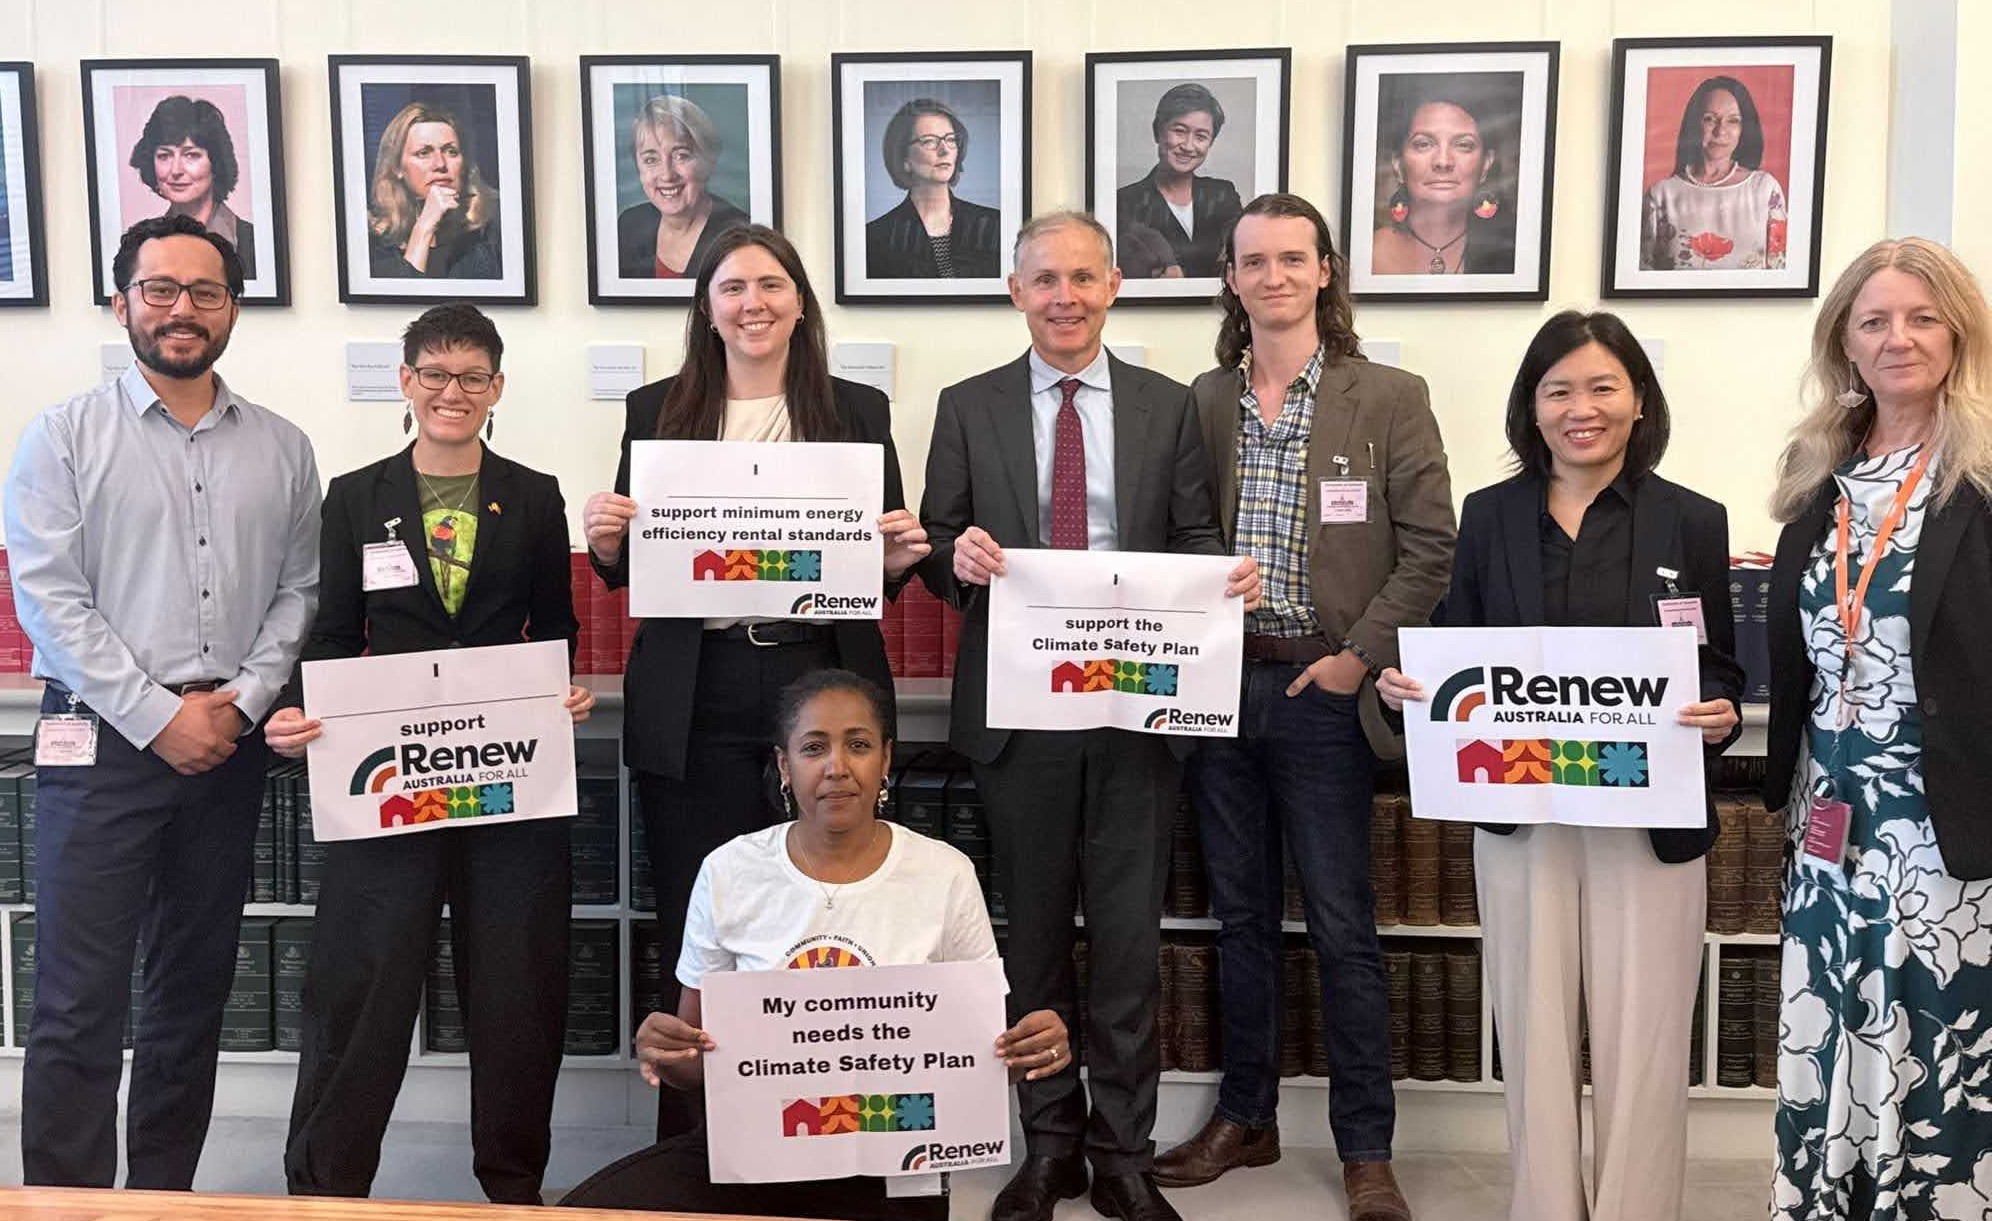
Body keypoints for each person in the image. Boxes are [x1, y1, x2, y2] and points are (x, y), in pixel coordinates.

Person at [918, 210, 1260, 1221]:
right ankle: (1049, 1142)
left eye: (1082, 277)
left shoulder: (1167, 407)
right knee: (1029, 946)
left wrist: (1220, 578)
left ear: (1114, 286)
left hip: (1135, 716)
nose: (1064, 297)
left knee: (1124, 944)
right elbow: (937, 543)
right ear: (1014, 292)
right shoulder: (967, 404)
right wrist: (958, 558)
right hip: (1018, 716)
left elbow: (1195, 533)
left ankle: (1123, 1153)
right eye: (1043, 280)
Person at [1376, 311, 1743, 1221]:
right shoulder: (1488, 516)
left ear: (1638, 401)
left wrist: (1722, 711)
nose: (1583, 408)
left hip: (1648, 816)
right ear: (1531, 409)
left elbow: (1719, 666)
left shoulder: (1692, 519)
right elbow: (1458, 646)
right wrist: (1407, 686)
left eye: (1603, 387)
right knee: (1535, 1035)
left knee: (1645, 1041)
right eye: (1559, 390)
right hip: (1524, 809)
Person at [581, 223, 930, 1140]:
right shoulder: (656, 407)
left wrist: (897, 558)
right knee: (703, 921)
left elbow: (877, 573)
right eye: (732, 287)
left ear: (801, 302)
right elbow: (629, 569)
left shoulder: (856, 410)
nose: (753, 304)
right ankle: (695, 1143)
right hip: (697, 689)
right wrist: (608, 542)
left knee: (824, 912)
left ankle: (819, 1130)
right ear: (707, 307)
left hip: (818, 679)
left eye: (771, 285)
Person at [3, 213, 321, 1188]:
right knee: (76, 1003)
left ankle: (162, 1202)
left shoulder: (284, 447)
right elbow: (49, 601)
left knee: (190, 998)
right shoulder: (61, 438)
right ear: (122, 302)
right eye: (161, 290)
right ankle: (65, 1206)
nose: (183, 311)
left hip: (226, 753)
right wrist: (158, 716)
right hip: (97, 748)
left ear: (233, 307)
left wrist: (240, 704)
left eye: (206, 292)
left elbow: (299, 593)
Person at [1158, 193, 1455, 1221]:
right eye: (1253, 261)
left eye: (1293, 257)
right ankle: (1246, 1118)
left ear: (1326, 270)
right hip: (1220, 688)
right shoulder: (1201, 398)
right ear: (1231, 280)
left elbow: (1430, 550)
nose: (1273, 276)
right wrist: (1203, 577)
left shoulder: (1389, 396)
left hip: (1325, 693)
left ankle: (1366, 1148)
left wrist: (1356, 658)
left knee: (1342, 925)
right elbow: (1181, 530)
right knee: (1240, 919)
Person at [261, 303, 592, 1203]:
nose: (454, 392)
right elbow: (332, 636)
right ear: (406, 381)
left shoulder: (532, 493)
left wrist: (565, 687)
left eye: (473, 377)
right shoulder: (356, 496)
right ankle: (327, 1184)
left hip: (509, 780)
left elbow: (553, 629)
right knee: (360, 983)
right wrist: (300, 712)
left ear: (497, 388)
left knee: (518, 987)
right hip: (384, 779)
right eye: (436, 374)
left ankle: (514, 1182)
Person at [563, 669, 1069, 1219]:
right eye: (813, 748)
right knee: (584, 1210)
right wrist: (665, 1051)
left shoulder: (944, 872)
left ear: (886, 759)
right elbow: (697, 1066)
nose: (837, 767)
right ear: (784, 765)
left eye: (858, 745)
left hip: (893, 1159)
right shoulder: (729, 870)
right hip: (756, 1148)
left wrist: (1027, 1054)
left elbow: (976, 1059)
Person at [1762, 238, 1992, 1217]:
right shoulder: (1816, 479)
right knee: (1834, 1039)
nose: (1898, 339)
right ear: (1844, 344)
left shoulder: (1982, 475)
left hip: (1950, 827)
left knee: (1942, 1050)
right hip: (1830, 827)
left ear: (1959, 333)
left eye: (1922, 317)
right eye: (1874, 320)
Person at [1640, 76, 1788, 272]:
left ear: (1744, 129)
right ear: (1694, 124)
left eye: (1733, 121)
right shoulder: (1661, 195)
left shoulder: (1765, 189)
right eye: (1710, 119)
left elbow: (1780, 274)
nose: (1720, 131)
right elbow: (1643, 276)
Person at [1369, 86, 1514, 276]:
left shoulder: (1511, 254)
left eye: (1463, 145)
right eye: (1424, 144)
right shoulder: (1369, 253)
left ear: (1486, 164)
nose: (1443, 162)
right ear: (1397, 165)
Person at [615, 94, 750, 280]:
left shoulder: (741, 236)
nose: (667, 175)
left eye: (682, 156)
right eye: (651, 159)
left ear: (708, 161)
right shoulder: (628, 226)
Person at [1115, 83, 1243, 279]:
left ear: (1210, 143)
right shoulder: (1124, 201)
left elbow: (1238, 263)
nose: (1188, 146)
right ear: (1158, 131)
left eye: (1201, 136)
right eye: (1180, 131)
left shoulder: (1223, 194)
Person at [864, 98, 1002, 280]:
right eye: (929, 141)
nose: (944, 150)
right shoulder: (876, 238)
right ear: (904, 158)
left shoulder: (994, 225)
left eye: (951, 139)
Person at [367, 101, 501, 280]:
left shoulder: (494, 226)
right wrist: (424, 227)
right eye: (424, 153)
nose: (440, 164)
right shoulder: (375, 242)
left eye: (451, 151)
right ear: (397, 167)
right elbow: (403, 302)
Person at [127, 96, 256, 275]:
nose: (176, 170)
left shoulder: (253, 242)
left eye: (191, 155)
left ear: (216, 162)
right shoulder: (142, 246)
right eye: (165, 156)